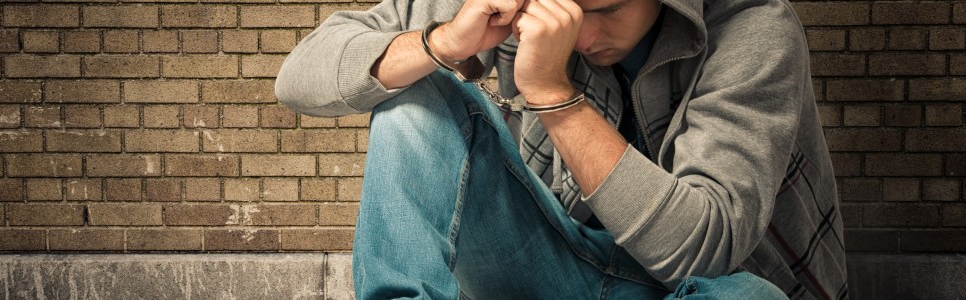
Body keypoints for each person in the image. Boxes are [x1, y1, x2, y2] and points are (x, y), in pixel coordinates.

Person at [276, 0, 848, 298]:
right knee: (414, 93)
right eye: (558, 8)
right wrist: (445, 42)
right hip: (557, 271)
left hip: (712, 289)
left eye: (605, 9)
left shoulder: (754, 28)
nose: (581, 32)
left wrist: (553, 92)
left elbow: (700, 252)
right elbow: (297, 76)